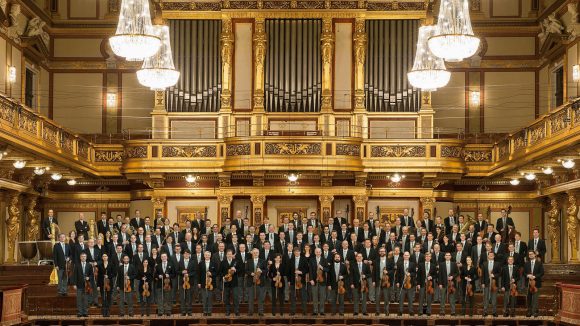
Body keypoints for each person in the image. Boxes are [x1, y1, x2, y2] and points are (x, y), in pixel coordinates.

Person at [288, 247, 308, 316]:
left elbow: (307, 269)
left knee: (303, 296)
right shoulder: (291, 260)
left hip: (301, 280)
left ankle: (304, 311)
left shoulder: (304, 259)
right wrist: (289, 281)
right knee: (293, 296)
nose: (297, 253)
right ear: (294, 253)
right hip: (293, 281)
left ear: (300, 252)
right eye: (295, 251)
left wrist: (301, 272)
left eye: (298, 251)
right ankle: (293, 311)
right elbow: (289, 271)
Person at [72, 252, 93, 317]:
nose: (83, 257)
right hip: (79, 285)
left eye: (84, 256)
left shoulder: (89, 265)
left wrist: (89, 277)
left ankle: (85, 312)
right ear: (80, 257)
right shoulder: (77, 265)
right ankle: (79, 312)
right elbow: (74, 275)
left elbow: (92, 275)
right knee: (79, 299)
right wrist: (74, 284)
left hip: (87, 286)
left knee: (86, 299)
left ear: (86, 257)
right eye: (82, 256)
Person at [374, 247, 393, 316]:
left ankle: (386, 311)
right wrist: (373, 281)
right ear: (379, 252)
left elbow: (392, 271)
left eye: (383, 251)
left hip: (386, 281)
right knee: (377, 297)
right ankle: (377, 311)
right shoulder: (376, 260)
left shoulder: (390, 260)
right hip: (378, 281)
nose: (382, 252)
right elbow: (374, 272)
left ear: (385, 252)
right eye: (380, 251)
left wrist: (388, 272)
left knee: (386, 298)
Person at [246, 248, 266, 316]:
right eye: (254, 252)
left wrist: (261, 271)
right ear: (252, 253)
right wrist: (250, 273)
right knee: (250, 298)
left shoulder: (263, 261)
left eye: (257, 252)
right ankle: (250, 312)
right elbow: (246, 270)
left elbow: (266, 271)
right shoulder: (248, 261)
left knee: (260, 298)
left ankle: (260, 312)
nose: (255, 254)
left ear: (259, 253)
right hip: (251, 281)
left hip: (260, 282)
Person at [309, 247, 328, 316]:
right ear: (315, 252)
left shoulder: (324, 260)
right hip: (314, 280)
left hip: (322, 280)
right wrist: (311, 279)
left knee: (322, 296)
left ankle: (322, 311)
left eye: (319, 252)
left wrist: (322, 267)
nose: (318, 253)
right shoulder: (311, 260)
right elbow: (310, 270)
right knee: (314, 296)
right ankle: (315, 311)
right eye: (317, 252)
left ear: (321, 252)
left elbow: (327, 269)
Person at [525, 250, 544, 317]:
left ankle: (535, 311)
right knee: (529, 298)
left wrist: (535, 276)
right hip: (528, 283)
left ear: (534, 255)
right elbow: (524, 273)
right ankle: (529, 311)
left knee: (535, 298)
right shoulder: (526, 263)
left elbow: (542, 273)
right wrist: (528, 275)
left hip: (536, 282)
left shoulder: (539, 263)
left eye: (532, 254)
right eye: (529, 254)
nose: (530, 255)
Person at [417, 252, 436, 316]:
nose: (428, 257)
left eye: (429, 256)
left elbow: (435, 275)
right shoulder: (420, 265)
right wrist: (418, 284)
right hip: (422, 283)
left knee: (429, 298)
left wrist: (432, 277)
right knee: (421, 297)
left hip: (430, 284)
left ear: (430, 258)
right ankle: (420, 311)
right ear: (425, 257)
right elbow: (418, 275)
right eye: (426, 256)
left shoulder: (433, 265)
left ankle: (428, 311)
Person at [397, 251, 416, 316]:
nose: (406, 256)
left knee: (410, 298)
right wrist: (397, 282)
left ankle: (411, 311)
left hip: (410, 284)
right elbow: (398, 274)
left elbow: (414, 273)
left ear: (409, 256)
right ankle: (400, 311)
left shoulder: (412, 264)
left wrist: (410, 273)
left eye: (407, 255)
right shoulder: (399, 263)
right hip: (402, 283)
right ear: (403, 256)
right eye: (405, 255)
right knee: (401, 298)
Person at [482, 251, 500, 317]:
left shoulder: (497, 264)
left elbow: (499, 273)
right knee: (486, 298)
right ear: (488, 256)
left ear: (494, 256)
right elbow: (483, 274)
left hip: (494, 284)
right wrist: (483, 283)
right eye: (490, 255)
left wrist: (494, 275)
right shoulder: (484, 263)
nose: (491, 256)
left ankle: (494, 312)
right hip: (486, 283)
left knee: (494, 298)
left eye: (492, 255)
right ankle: (485, 311)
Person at [222, 249, 240, 316]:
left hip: (234, 283)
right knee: (227, 297)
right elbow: (220, 272)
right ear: (226, 255)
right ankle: (227, 311)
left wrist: (235, 270)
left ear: (232, 255)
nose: (229, 255)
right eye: (228, 254)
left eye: (230, 254)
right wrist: (223, 277)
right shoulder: (223, 262)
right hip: (226, 283)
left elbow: (240, 271)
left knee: (235, 297)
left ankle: (236, 311)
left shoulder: (236, 262)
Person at [199, 251, 217, 316]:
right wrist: (199, 283)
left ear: (210, 256)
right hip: (203, 283)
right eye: (206, 255)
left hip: (211, 284)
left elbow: (216, 273)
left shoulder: (214, 263)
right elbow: (199, 274)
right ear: (204, 256)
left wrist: (211, 273)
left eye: (208, 255)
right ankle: (204, 311)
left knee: (210, 298)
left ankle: (209, 311)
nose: (207, 256)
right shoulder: (201, 263)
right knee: (204, 298)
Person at [97, 253, 115, 317]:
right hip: (102, 283)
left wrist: (108, 276)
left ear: (107, 257)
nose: (104, 257)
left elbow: (114, 274)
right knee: (103, 298)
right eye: (103, 256)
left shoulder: (111, 264)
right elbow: (98, 276)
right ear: (102, 258)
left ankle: (108, 311)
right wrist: (98, 285)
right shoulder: (100, 265)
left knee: (109, 297)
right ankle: (104, 312)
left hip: (109, 284)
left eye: (106, 256)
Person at [179, 249, 195, 316]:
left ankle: (189, 311)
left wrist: (189, 274)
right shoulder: (180, 262)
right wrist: (181, 272)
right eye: (185, 253)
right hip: (182, 282)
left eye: (187, 254)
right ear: (183, 254)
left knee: (189, 297)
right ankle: (183, 311)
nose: (186, 255)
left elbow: (194, 271)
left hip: (190, 282)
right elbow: (177, 271)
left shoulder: (193, 262)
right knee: (182, 297)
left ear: (189, 255)